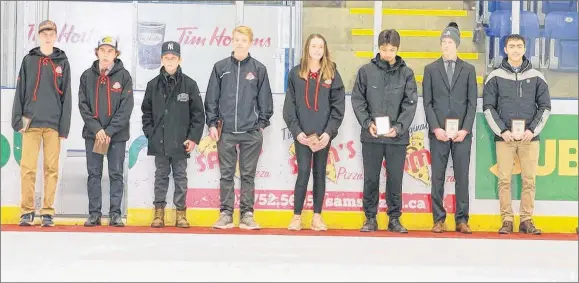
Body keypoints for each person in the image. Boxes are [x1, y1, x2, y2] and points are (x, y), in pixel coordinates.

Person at [205, 26, 273, 230]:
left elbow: (266, 101)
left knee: (247, 175)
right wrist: (212, 123)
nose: (240, 43)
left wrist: (260, 124)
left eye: (244, 40)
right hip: (225, 132)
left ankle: (247, 215)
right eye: (236, 39)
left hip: (250, 133)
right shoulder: (220, 67)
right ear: (231, 41)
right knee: (226, 174)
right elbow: (211, 99)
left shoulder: (259, 69)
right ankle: (226, 214)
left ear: (250, 43)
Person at [483, 34, 551, 235]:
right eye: (511, 46)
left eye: (519, 46)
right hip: (505, 138)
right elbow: (488, 107)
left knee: (529, 179)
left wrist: (533, 131)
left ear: (524, 49)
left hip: (530, 139)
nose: (515, 49)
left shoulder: (537, 76)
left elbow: (545, 107)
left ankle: (526, 220)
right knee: (504, 180)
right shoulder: (495, 76)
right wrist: (502, 131)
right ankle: (506, 220)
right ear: (505, 49)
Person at [351, 29, 418, 233]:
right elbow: (358, 100)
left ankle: (394, 218)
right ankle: (370, 218)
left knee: (395, 178)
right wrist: (366, 123)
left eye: (392, 49)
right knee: (371, 177)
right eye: (384, 49)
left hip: (396, 138)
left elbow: (410, 103)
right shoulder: (365, 71)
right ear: (378, 48)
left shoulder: (406, 73)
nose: (388, 53)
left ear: (398, 49)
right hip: (371, 136)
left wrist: (398, 128)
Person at [283, 34, 346, 231]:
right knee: (303, 172)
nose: (317, 50)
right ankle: (296, 216)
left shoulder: (332, 73)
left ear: (324, 49)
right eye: (313, 46)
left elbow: (338, 108)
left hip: (323, 137)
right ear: (307, 48)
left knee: (319, 173)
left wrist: (328, 133)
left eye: (320, 46)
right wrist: (297, 132)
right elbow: (289, 107)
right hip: (302, 136)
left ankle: (317, 217)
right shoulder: (296, 73)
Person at [12, 20, 72, 227]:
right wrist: (17, 119)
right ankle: (27, 211)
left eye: (51, 32)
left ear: (56, 35)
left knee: (51, 169)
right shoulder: (29, 60)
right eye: (44, 32)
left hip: (53, 125)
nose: (47, 36)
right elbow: (20, 92)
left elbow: (67, 97)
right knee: (27, 168)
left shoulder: (63, 62)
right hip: (31, 123)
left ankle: (48, 212)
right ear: (38, 35)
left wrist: (64, 126)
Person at [141, 41, 205, 228]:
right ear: (161, 59)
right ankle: (158, 213)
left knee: (180, 177)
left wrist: (193, 138)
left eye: (173, 58)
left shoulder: (190, 85)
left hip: (181, 142)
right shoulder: (152, 85)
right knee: (160, 176)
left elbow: (198, 115)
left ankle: (181, 214)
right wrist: (150, 134)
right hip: (159, 141)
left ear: (179, 59)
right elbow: (146, 113)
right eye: (167, 58)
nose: (170, 61)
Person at [422, 22, 477, 234]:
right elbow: (427, 102)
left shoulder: (469, 70)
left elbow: (472, 103)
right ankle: (438, 219)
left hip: (462, 133)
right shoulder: (430, 70)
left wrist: (465, 129)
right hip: (439, 133)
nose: (446, 46)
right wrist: (436, 128)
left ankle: (462, 219)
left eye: (450, 42)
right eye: (443, 42)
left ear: (457, 45)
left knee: (462, 176)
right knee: (437, 176)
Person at [78, 36, 134, 227]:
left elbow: (126, 108)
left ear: (115, 54)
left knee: (116, 174)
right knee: (94, 174)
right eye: (103, 50)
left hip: (116, 136)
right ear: (97, 52)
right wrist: (97, 129)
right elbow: (83, 105)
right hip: (93, 135)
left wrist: (109, 131)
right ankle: (94, 214)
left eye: (110, 51)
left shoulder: (124, 76)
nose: (106, 54)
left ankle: (115, 214)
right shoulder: (86, 76)